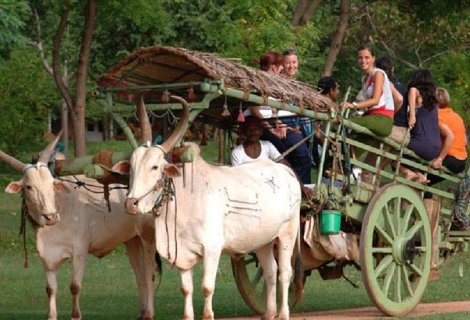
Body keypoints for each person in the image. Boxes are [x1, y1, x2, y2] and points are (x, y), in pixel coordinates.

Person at [232, 116, 313, 198]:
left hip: (268, 188)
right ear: (244, 131)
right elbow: (238, 179)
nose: (252, 132)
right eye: (249, 129)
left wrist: (301, 186)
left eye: (255, 129)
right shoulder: (237, 153)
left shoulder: (267, 145)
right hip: (248, 191)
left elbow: (286, 165)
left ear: (261, 131)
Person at [398, 69, 443, 183]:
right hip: (435, 148)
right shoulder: (433, 103)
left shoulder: (418, 95)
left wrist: (412, 115)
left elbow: (413, 90)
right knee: (409, 157)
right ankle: (419, 175)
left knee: (393, 151)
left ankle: (407, 173)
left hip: (422, 144)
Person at [345, 44, 395, 138]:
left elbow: (375, 100)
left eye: (367, 57)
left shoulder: (378, 74)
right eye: (360, 58)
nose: (363, 61)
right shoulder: (365, 78)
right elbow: (363, 102)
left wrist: (352, 105)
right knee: (351, 145)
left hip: (382, 119)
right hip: (371, 118)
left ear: (373, 58)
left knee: (344, 123)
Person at [430, 87, 467, 179]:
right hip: (462, 162)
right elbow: (465, 142)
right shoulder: (457, 117)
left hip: (449, 159)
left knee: (421, 176)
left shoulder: (437, 116)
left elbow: (450, 136)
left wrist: (440, 158)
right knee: (426, 181)